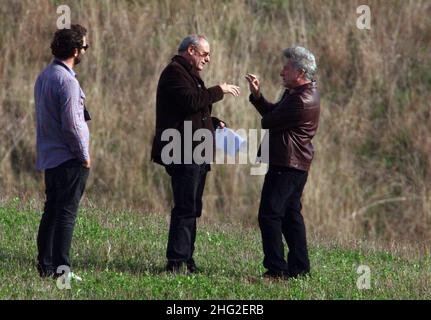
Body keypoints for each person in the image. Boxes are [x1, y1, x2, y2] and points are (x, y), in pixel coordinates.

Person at [151, 34, 240, 273]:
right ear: (191, 50)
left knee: (193, 208)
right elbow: (191, 101)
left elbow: (189, 111)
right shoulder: (173, 73)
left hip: (196, 151)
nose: (208, 59)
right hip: (181, 151)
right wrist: (218, 90)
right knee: (184, 207)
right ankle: (176, 262)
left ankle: (187, 258)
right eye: (205, 54)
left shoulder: (190, 75)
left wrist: (213, 121)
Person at [245, 46, 320, 279]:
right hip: (294, 164)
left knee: (269, 215)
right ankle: (300, 269)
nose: (281, 72)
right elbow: (274, 113)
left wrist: (267, 113)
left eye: (286, 68)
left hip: (287, 165)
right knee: (290, 216)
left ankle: (276, 270)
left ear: (299, 72)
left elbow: (268, 121)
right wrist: (257, 96)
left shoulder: (301, 99)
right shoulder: (298, 94)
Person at [34, 24, 90, 280]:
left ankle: (45, 265)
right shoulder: (67, 81)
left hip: (50, 157)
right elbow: (72, 125)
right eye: (85, 47)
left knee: (52, 212)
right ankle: (62, 270)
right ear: (76, 50)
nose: (85, 52)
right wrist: (83, 155)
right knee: (66, 214)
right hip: (69, 158)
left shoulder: (44, 76)